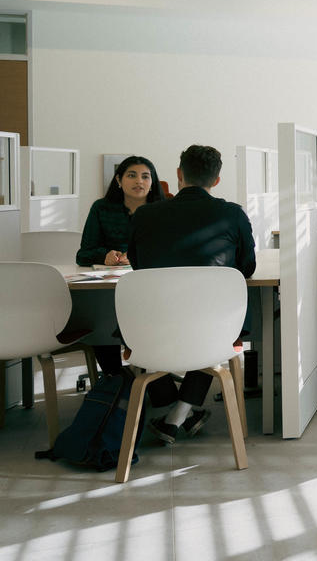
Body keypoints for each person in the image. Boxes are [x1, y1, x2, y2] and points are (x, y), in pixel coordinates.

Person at [128, 145, 256, 444]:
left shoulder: (144, 215)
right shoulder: (232, 214)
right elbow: (247, 268)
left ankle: (173, 410)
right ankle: (180, 412)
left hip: (149, 327)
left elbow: (137, 265)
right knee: (209, 328)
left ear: (178, 175)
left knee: (161, 330)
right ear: (217, 180)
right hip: (213, 328)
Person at [73, 155, 165, 375]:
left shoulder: (163, 210)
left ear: (152, 182)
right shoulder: (102, 208)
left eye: (145, 176)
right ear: (118, 180)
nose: (139, 182)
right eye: (131, 175)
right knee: (101, 316)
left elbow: (171, 250)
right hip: (110, 287)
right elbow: (83, 254)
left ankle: (153, 380)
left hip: (154, 287)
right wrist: (104, 255)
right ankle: (116, 379)